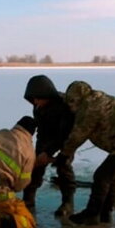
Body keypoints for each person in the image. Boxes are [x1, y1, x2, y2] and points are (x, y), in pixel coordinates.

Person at [52, 81, 115, 225]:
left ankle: (92, 213)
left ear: (77, 98)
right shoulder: (93, 98)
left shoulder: (90, 107)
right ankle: (105, 212)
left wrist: (64, 155)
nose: (70, 106)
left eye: (72, 101)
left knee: (102, 176)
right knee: (111, 176)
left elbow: (79, 134)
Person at [22, 75, 76, 216]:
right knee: (35, 165)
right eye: (33, 99)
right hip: (47, 137)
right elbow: (42, 129)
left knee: (64, 166)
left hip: (67, 138)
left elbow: (65, 134)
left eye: (38, 98)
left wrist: (49, 152)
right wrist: (40, 151)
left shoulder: (65, 106)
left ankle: (67, 202)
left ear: (47, 95)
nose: (35, 102)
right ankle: (28, 198)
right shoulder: (38, 106)